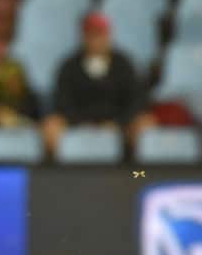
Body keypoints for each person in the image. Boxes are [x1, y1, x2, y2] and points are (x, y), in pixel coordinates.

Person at [41, 12, 155, 156]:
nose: (96, 40)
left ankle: (135, 172)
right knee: (50, 126)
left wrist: (117, 124)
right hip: (77, 123)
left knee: (145, 123)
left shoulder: (124, 64)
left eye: (99, 35)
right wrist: (80, 123)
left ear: (108, 36)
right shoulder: (69, 66)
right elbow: (62, 102)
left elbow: (137, 100)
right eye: (91, 35)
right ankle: (59, 174)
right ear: (83, 37)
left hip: (118, 124)